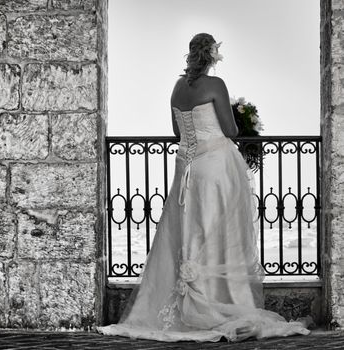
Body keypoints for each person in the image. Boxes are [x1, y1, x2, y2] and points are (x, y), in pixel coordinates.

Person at [97, 33, 311, 342]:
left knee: (187, 232)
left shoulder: (177, 88)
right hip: (213, 167)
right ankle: (218, 299)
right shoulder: (216, 85)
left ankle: (177, 301)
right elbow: (230, 129)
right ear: (211, 55)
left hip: (186, 167)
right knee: (218, 231)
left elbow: (176, 131)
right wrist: (242, 121)